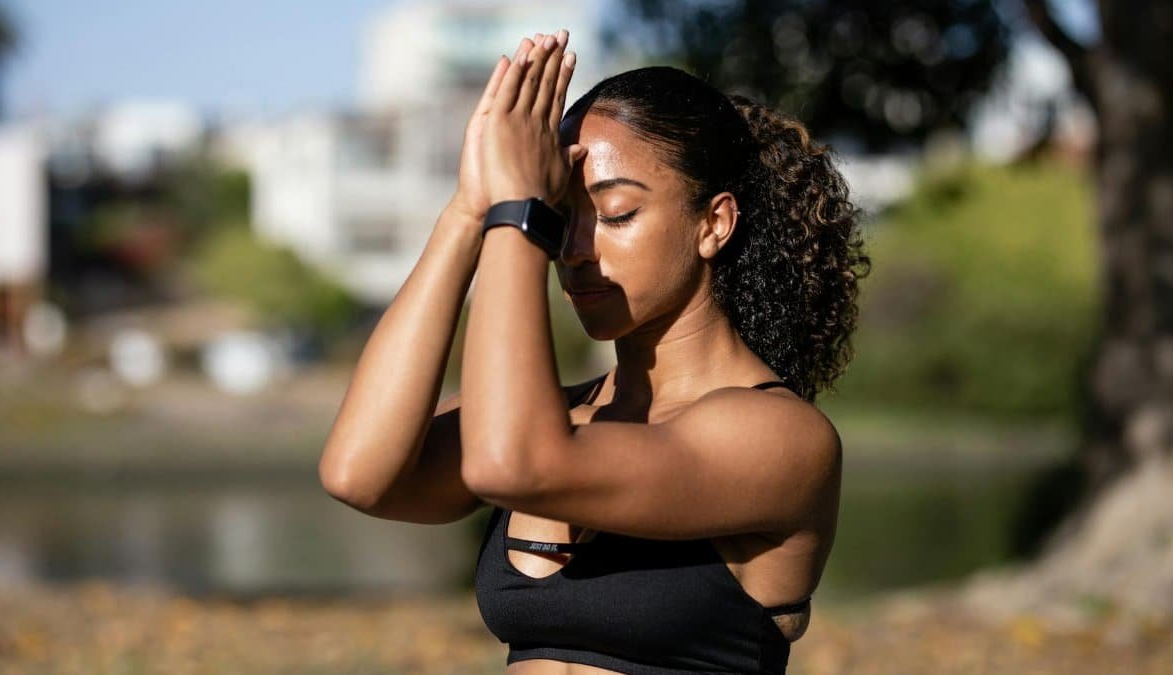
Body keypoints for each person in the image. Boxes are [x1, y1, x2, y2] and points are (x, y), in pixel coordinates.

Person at [320, 28, 869, 675]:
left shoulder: (780, 437)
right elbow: (359, 472)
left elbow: (514, 465)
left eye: (615, 214)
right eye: (563, 213)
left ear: (713, 224)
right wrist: (470, 208)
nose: (574, 248)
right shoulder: (553, 417)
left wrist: (520, 213)